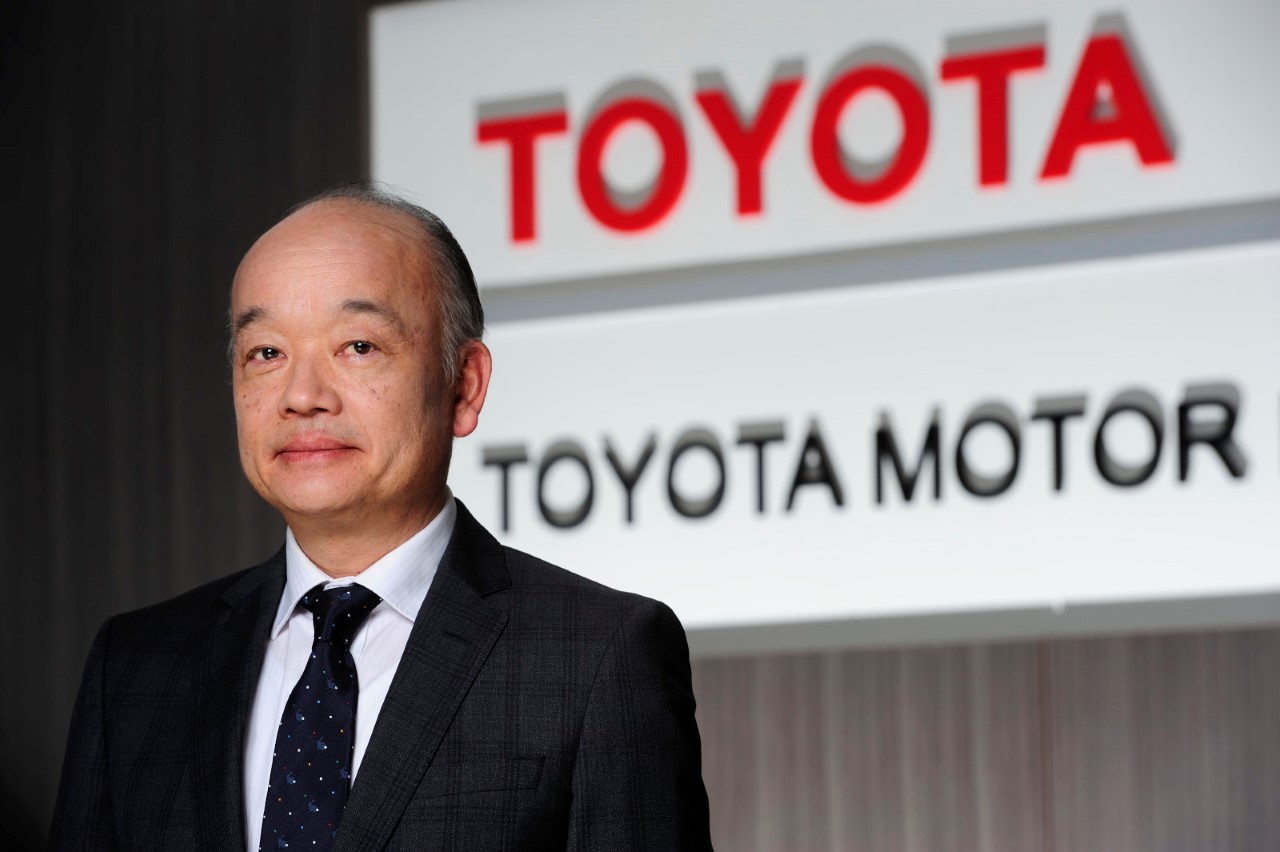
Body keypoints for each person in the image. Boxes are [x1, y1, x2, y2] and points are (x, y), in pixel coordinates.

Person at [49, 183, 713, 851]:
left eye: (359, 346)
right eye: (266, 353)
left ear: (464, 385)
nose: (302, 396)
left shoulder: (596, 657)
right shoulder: (135, 669)